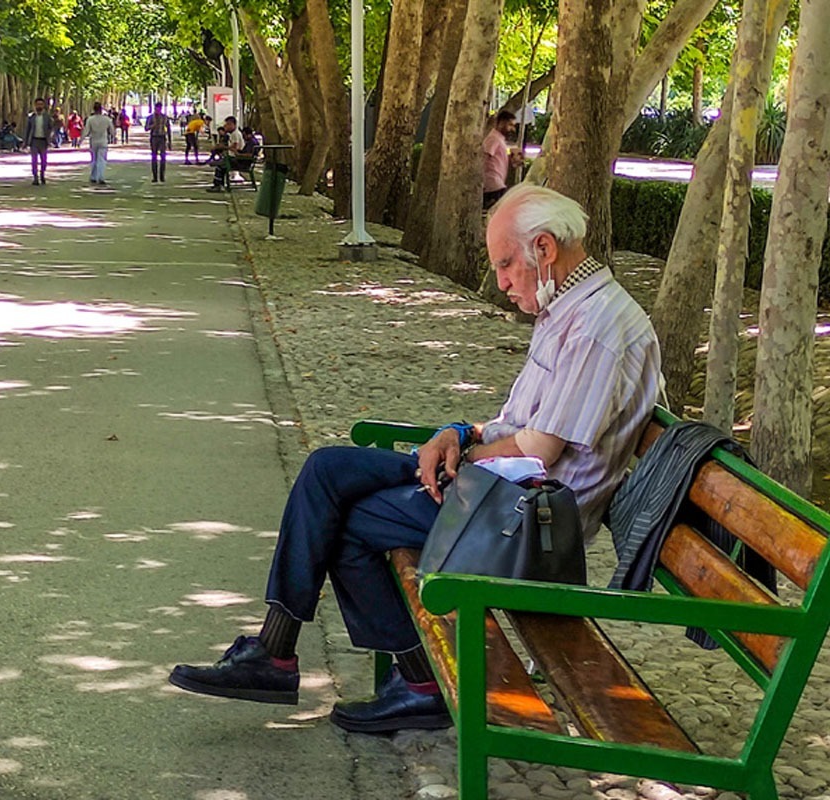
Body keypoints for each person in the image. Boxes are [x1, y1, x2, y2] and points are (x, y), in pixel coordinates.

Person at [169, 184, 663, 734]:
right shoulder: (569, 309)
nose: (500, 283)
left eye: (505, 265)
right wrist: (455, 433)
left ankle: (333, 665)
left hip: (524, 521)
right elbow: (517, 424)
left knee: (344, 516)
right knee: (329, 471)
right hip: (497, 490)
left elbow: (542, 450)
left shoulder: (597, 329)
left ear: (544, 249)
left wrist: (464, 453)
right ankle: (295, 658)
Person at [483, 110, 524, 209]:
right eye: (510, 125)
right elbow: (485, 157)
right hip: (492, 184)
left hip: (497, 182)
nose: (512, 129)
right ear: (500, 123)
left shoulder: (499, 139)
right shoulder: (493, 139)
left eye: (513, 126)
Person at [205, 116, 244, 192]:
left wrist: (224, 147)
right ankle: (219, 185)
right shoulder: (232, 134)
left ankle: (218, 185)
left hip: (236, 159)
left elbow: (234, 147)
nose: (226, 127)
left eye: (228, 125)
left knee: (220, 166)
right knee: (219, 164)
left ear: (233, 124)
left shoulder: (235, 134)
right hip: (232, 158)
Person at [24, 98, 56, 185]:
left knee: (43, 160)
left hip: (43, 141)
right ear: (35, 105)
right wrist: (25, 142)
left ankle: (42, 174)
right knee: (34, 160)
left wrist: (50, 137)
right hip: (34, 141)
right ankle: (35, 177)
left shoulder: (47, 117)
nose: (39, 106)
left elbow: (52, 128)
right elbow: (27, 130)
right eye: (38, 104)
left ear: (43, 105)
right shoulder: (32, 117)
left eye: (41, 104)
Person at [82, 101, 115, 185]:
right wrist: (114, 137)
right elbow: (112, 130)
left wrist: (81, 140)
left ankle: (93, 176)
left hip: (93, 141)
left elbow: (86, 131)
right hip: (103, 141)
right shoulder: (106, 119)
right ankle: (100, 177)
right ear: (101, 109)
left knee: (94, 159)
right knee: (101, 160)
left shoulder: (90, 119)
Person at [144, 102, 172, 182]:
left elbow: (169, 129)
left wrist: (169, 141)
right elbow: (146, 128)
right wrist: (152, 126)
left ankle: (162, 176)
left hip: (162, 137)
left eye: (159, 109)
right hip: (154, 137)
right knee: (154, 157)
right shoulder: (150, 117)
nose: (158, 110)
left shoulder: (165, 117)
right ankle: (155, 176)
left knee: (163, 157)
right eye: (156, 109)